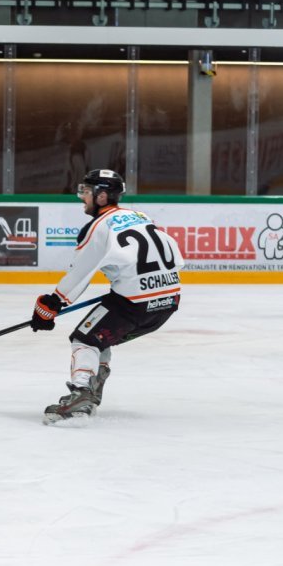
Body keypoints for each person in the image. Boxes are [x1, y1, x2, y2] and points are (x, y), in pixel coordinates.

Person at [30, 169, 184, 425]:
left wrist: (51, 304)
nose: (82, 197)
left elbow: (81, 271)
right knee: (98, 334)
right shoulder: (140, 215)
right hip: (168, 302)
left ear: (102, 196)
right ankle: (92, 387)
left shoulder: (97, 227)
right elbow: (175, 257)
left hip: (134, 306)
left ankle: (82, 393)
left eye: (86, 192)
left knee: (84, 339)